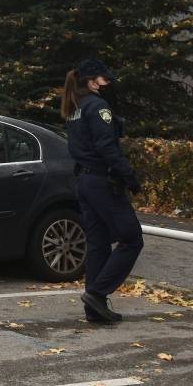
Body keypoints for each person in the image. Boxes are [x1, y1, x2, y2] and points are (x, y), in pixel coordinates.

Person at [62, 58, 143, 325]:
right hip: (101, 183)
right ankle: (97, 294)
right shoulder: (97, 106)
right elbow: (107, 147)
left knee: (98, 244)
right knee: (131, 238)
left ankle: (93, 308)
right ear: (92, 81)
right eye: (105, 80)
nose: (109, 84)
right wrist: (129, 176)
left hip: (85, 182)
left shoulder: (76, 106)